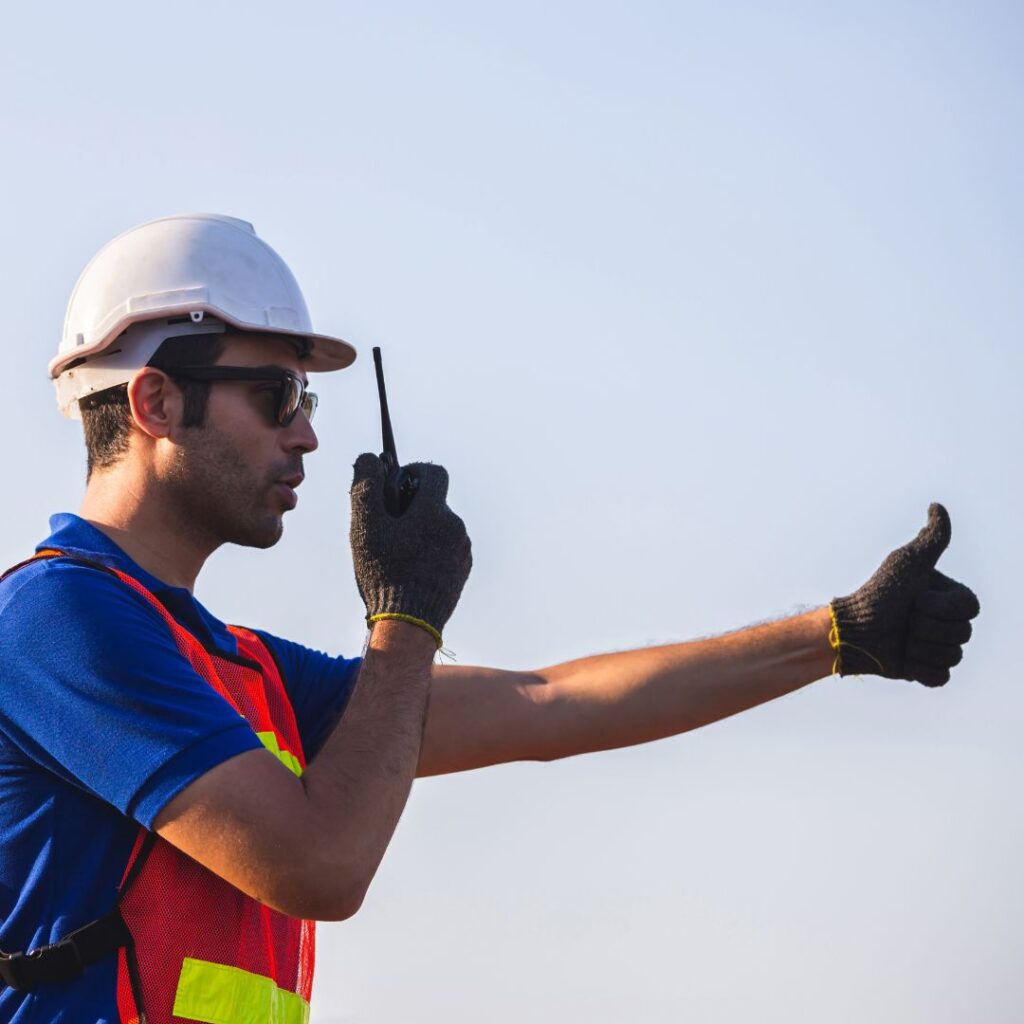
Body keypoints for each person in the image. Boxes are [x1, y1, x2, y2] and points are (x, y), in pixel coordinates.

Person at [0, 214, 980, 1022]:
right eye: (278, 393)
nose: (305, 431)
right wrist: (404, 620)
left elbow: (548, 704)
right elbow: (319, 867)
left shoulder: (223, 665)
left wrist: (839, 632)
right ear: (157, 402)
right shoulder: (57, 618)